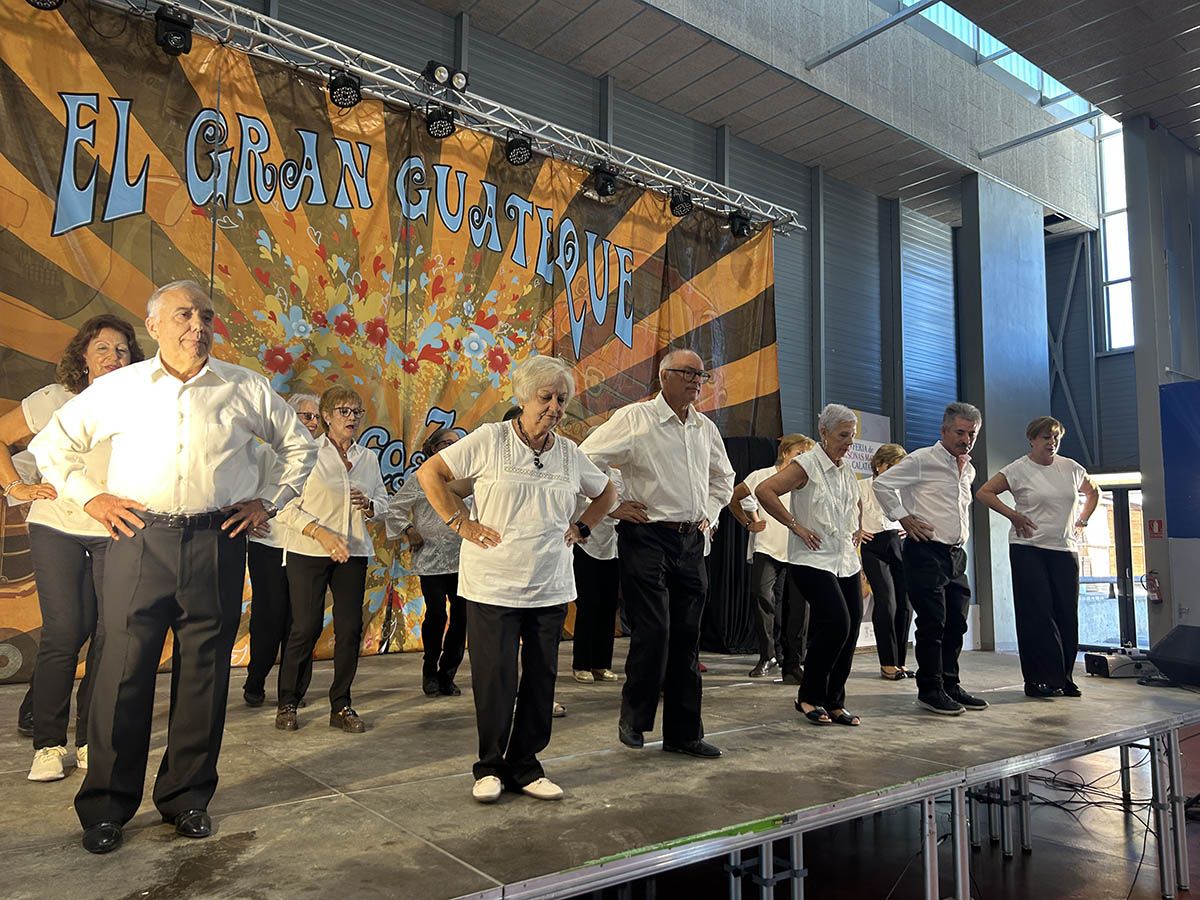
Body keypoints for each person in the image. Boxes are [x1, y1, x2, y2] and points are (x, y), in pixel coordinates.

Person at [30, 280, 317, 855]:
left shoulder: (244, 386)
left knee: (205, 675)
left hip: (217, 540)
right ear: (154, 325)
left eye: (205, 315)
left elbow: (300, 446)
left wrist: (269, 501)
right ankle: (106, 806)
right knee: (122, 672)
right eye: (184, 314)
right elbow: (52, 446)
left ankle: (187, 798)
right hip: (139, 538)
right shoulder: (122, 387)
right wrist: (91, 497)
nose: (197, 326)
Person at [418, 356, 615, 803]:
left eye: (561, 399)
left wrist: (583, 527)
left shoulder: (569, 453)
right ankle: (489, 767)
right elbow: (430, 474)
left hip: (550, 582)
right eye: (545, 397)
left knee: (541, 678)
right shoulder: (490, 439)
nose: (554, 407)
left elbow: (607, 491)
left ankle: (526, 765)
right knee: (495, 677)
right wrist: (461, 524)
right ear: (523, 398)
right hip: (493, 583)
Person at [0, 315, 144, 781]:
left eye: (121, 350)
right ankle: (48, 744)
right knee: (65, 631)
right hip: (56, 525)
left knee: (108, 634)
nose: (112, 357)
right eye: (102, 348)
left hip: (114, 528)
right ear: (83, 356)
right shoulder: (54, 399)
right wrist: (17, 487)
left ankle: (89, 739)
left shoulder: (143, 404)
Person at [581, 349, 735, 759]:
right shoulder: (637, 418)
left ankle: (684, 735)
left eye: (701, 375)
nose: (697, 381)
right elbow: (586, 460)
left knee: (687, 638)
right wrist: (613, 506)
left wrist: (709, 514)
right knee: (655, 630)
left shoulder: (704, 427)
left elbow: (724, 477)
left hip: (691, 540)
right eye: (688, 373)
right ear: (664, 377)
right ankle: (634, 719)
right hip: (646, 537)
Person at [274, 386, 389, 733]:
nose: (352, 417)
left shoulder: (368, 458)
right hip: (309, 551)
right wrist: (320, 533)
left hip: (352, 551)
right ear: (326, 416)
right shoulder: (308, 454)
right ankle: (288, 701)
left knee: (350, 629)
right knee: (305, 627)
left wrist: (370, 505)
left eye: (357, 412)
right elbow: (283, 506)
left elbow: (384, 503)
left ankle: (341, 705)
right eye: (344, 411)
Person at [872, 402, 987, 716]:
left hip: (956, 555)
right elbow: (882, 484)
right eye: (960, 432)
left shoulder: (969, 468)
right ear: (944, 430)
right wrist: (903, 517)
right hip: (925, 551)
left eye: (972, 434)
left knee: (956, 623)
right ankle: (930, 689)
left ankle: (950, 684)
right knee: (933, 623)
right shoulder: (923, 459)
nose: (966, 439)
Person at [756, 406, 864, 727]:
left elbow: (855, 503)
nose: (849, 443)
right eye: (843, 435)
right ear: (824, 433)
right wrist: (796, 526)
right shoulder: (806, 465)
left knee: (851, 630)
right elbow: (765, 491)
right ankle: (809, 696)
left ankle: (835, 701)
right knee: (837, 624)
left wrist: (858, 528)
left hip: (845, 560)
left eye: (852, 436)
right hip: (812, 559)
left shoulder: (846, 469)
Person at [976, 416, 1099, 698]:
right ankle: (1037, 679)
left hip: (1064, 548)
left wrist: (1083, 520)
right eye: (1045, 437)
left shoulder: (1071, 468)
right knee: (1037, 614)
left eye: (1055, 437)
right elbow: (985, 492)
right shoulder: (1018, 469)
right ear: (1032, 440)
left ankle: (1064, 678)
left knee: (1066, 614)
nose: (1051, 442)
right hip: (1028, 547)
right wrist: (1013, 515)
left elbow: (1093, 492)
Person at [242, 393, 320, 707]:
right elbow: (244, 494)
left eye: (317, 417)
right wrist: (248, 522)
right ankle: (255, 680)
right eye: (306, 416)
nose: (312, 423)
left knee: (302, 621)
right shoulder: (264, 453)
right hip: (269, 544)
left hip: (306, 546)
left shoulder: (324, 455)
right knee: (269, 616)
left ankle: (292, 690)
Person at [385, 427, 468, 698]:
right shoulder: (421, 477)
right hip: (432, 556)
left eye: (456, 443)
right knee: (437, 614)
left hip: (463, 556)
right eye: (446, 443)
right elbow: (394, 508)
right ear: (433, 448)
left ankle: (448, 673)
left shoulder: (467, 478)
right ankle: (430, 668)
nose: (452, 447)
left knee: (462, 616)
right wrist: (409, 530)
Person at [728, 433, 814, 681]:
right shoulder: (761, 475)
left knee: (798, 606)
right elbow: (734, 497)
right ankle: (768, 656)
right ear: (785, 452)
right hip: (767, 546)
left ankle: (794, 661)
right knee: (763, 597)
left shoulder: (808, 481)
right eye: (799, 453)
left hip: (798, 550)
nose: (803, 458)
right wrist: (748, 523)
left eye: (807, 455)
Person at [859, 443, 913, 681]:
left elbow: (917, 512)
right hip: (874, 546)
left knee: (905, 604)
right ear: (879, 465)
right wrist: (856, 530)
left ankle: (900, 662)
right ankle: (887, 663)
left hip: (900, 544)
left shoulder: (905, 489)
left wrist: (910, 527)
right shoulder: (861, 486)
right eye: (891, 467)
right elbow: (848, 513)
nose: (895, 472)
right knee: (887, 602)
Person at [571, 459, 623, 684]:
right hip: (586, 545)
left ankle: (602, 664)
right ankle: (581, 664)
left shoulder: (617, 475)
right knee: (588, 605)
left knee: (609, 606)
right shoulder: (582, 474)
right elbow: (573, 507)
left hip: (613, 548)